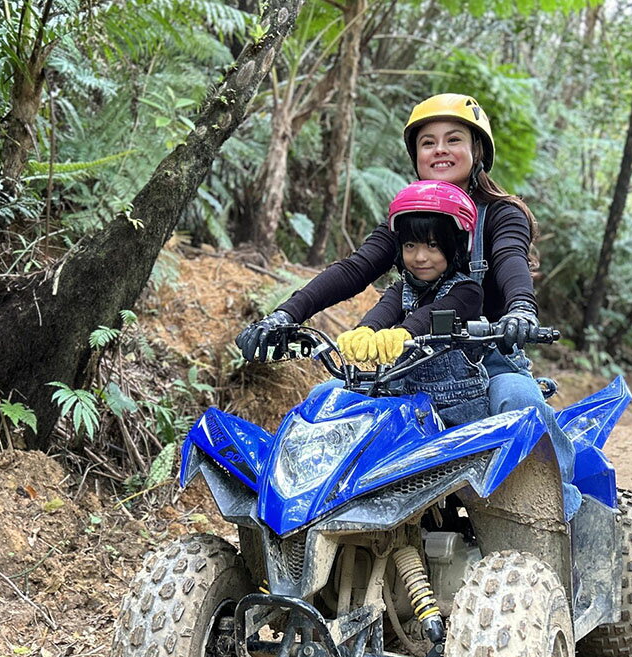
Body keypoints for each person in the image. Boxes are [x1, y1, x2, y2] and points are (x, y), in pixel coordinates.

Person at [236, 93, 581, 517]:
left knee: (520, 403)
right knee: (323, 401)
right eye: (427, 142)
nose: (440, 150)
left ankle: (556, 519)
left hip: (486, 359)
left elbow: (510, 260)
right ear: (415, 155)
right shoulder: (406, 219)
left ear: (477, 152)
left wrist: (521, 310)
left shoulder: (500, 214)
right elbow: (355, 269)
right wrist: (284, 315)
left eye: (453, 139)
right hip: (402, 368)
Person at [336, 179, 489, 427]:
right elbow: (384, 309)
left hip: (460, 415)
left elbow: (435, 313)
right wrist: (365, 329)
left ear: (456, 247)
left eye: (433, 245)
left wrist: (404, 332)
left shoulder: (468, 291)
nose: (420, 257)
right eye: (410, 245)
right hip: (407, 405)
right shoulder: (402, 288)